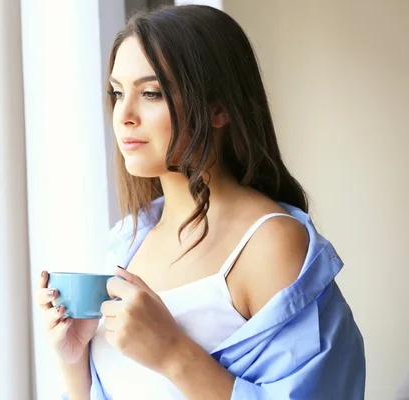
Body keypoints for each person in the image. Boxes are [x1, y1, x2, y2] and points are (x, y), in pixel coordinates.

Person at [36, 5, 365, 399]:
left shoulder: (271, 244)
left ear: (219, 109)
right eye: (117, 93)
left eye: (151, 93)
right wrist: (74, 363)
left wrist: (173, 353)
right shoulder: (128, 240)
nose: (123, 115)